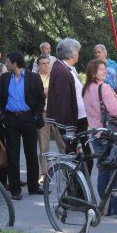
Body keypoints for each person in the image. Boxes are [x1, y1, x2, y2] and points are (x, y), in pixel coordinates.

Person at [0, 51, 45, 201]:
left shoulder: (33, 77)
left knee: (31, 153)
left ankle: (33, 186)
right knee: (13, 155)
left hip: (28, 119)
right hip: (11, 120)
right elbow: (0, 97)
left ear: (15, 62)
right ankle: (15, 189)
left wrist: (35, 116)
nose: (6, 64)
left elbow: (40, 99)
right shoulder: (5, 78)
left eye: (8, 61)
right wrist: (3, 115)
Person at [81, 59, 117, 215]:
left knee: (103, 169)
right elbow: (114, 110)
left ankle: (103, 203)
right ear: (93, 72)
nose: (105, 71)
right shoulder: (104, 88)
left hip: (95, 132)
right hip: (109, 133)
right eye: (101, 69)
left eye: (105, 68)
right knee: (116, 170)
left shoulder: (86, 89)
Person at [46, 38, 90, 171]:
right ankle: (76, 190)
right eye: (77, 51)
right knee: (78, 159)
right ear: (71, 53)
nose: (78, 54)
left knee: (84, 159)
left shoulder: (67, 68)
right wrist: (70, 126)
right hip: (72, 122)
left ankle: (80, 189)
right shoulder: (61, 70)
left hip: (79, 119)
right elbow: (63, 100)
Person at [36, 54, 63, 181]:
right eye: (43, 63)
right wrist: (45, 91)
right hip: (43, 113)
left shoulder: (55, 76)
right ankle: (43, 174)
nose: (46, 65)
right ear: (38, 66)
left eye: (48, 63)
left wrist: (45, 91)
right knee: (43, 144)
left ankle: (66, 170)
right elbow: (35, 94)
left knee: (62, 142)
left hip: (56, 112)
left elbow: (60, 92)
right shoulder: (35, 78)